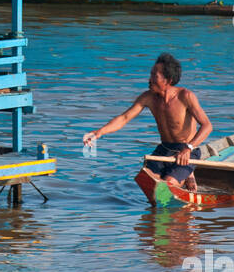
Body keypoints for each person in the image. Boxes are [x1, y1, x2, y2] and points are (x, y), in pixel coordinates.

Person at [82, 53, 213, 189]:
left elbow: (207, 126)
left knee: (168, 185)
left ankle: (188, 173)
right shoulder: (148, 97)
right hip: (165, 149)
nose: (149, 79)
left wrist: (188, 148)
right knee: (146, 179)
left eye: (154, 76)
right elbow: (124, 118)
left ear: (168, 80)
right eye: (150, 74)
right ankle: (183, 175)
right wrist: (99, 133)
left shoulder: (185, 96)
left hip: (186, 151)